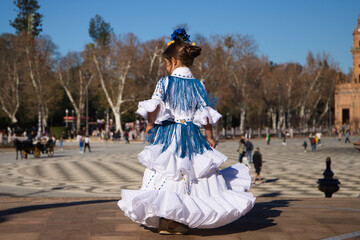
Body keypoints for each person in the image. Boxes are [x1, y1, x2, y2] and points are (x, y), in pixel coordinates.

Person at [117, 29, 255, 235]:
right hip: (192, 136)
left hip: (170, 134)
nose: (165, 66)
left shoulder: (165, 82)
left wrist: (150, 124)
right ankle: (182, 218)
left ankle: (170, 218)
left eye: (166, 62)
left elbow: (155, 106)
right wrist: (209, 136)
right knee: (193, 176)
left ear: (173, 61)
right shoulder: (198, 84)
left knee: (167, 173)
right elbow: (205, 114)